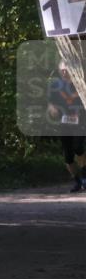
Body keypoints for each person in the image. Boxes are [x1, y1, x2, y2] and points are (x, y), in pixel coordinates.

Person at [47, 60, 85, 192]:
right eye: (62, 70)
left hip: (81, 123)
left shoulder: (80, 84)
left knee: (78, 148)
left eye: (66, 70)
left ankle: (85, 177)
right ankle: (77, 182)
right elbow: (51, 102)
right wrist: (52, 109)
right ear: (59, 71)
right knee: (68, 157)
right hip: (64, 123)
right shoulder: (55, 85)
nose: (64, 72)